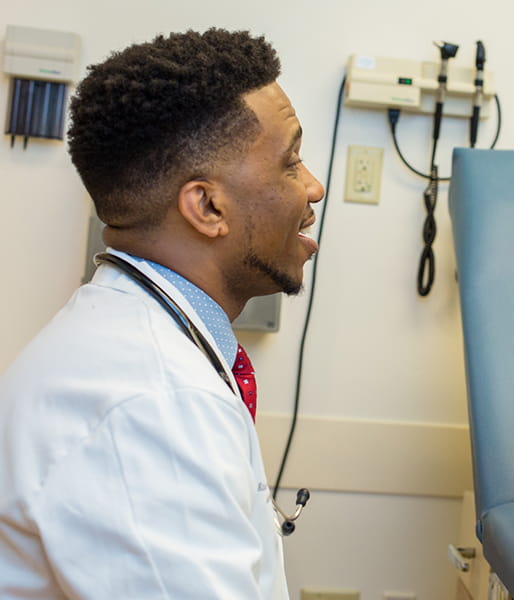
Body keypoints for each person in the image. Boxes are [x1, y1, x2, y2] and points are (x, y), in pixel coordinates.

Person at [0, 29, 324, 598]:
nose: (313, 187)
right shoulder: (151, 404)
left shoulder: (140, 350)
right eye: (291, 162)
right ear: (207, 206)